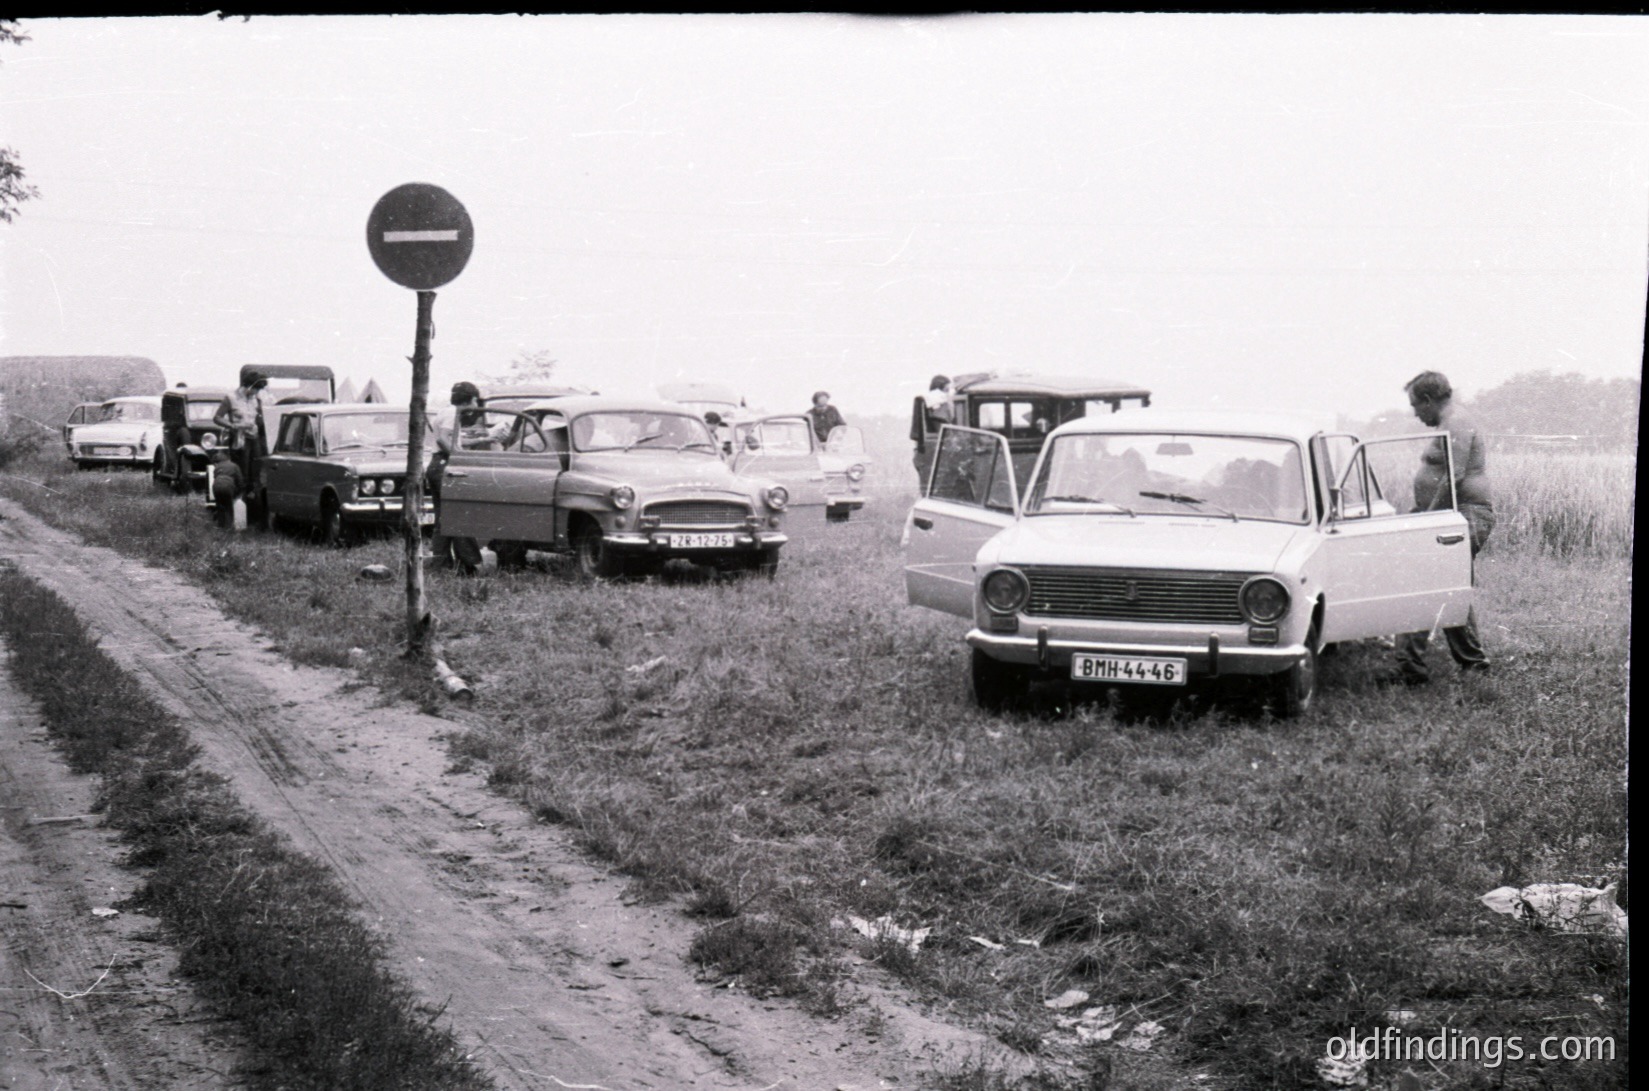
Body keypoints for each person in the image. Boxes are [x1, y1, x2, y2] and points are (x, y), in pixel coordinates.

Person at [1392, 370, 1494, 684]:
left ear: (1428, 399)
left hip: (1465, 515)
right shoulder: (1451, 421)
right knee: (1445, 587)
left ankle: (1414, 668)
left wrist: (1428, 518)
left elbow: (1455, 476)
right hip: (1450, 514)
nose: (1414, 413)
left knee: (1430, 585)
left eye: (1415, 405)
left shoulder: (1458, 421)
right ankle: (1464, 663)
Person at [427, 381, 509, 574]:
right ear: (470, 399)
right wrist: (460, 458)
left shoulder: (444, 412)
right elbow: (444, 440)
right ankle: (468, 562)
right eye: (475, 399)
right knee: (458, 515)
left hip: (437, 464)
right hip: (445, 464)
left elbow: (454, 440)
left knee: (444, 518)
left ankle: (441, 563)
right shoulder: (451, 414)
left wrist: (484, 439)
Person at [212, 370, 267, 485]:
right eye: (255, 389)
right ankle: (240, 498)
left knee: (256, 470)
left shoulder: (256, 400)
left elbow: (260, 419)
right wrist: (233, 426)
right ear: (248, 386)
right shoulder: (230, 398)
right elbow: (217, 418)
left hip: (254, 438)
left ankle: (254, 498)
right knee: (243, 471)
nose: (256, 392)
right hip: (240, 439)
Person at [207, 446, 244, 530]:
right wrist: (238, 492)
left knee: (220, 506)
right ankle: (229, 527)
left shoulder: (217, 467)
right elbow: (240, 481)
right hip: (228, 486)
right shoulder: (234, 466)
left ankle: (220, 527)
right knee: (228, 507)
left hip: (216, 486)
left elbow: (216, 477)